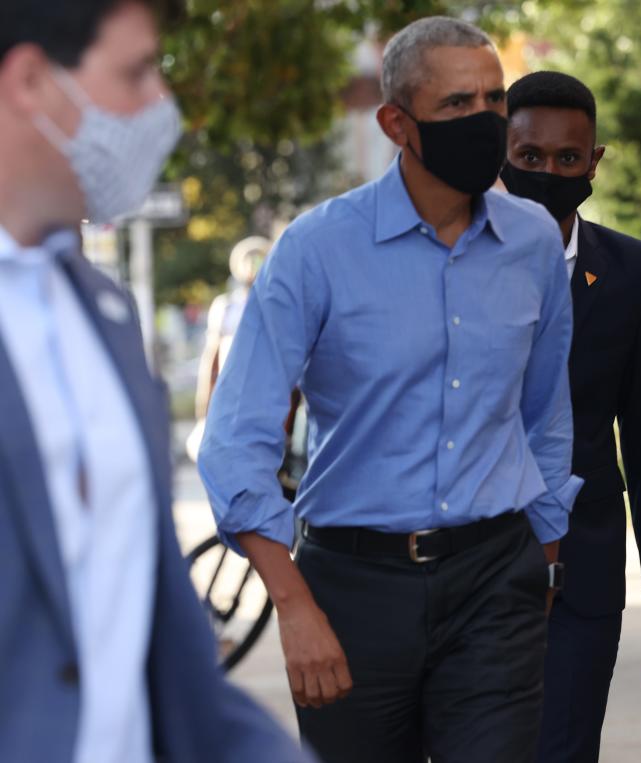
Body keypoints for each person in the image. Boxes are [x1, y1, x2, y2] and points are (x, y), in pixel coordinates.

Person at [199, 17, 580, 763]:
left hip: (495, 580)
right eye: (457, 106)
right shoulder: (316, 250)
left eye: (494, 99)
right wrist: (294, 602)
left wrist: (546, 557)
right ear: (396, 124)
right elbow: (235, 440)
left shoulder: (534, 240)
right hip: (352, 588)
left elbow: (546, 412)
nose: (486, 121)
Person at [0, 1, 310, 761]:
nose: (161, 108)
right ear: (33, 82)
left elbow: (161, 651)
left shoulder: (101, 313)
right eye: (137, 72)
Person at [501, 71, 641, 762]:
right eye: (530, 157)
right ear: (503, 151)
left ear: (594, 162)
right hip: (467, 569)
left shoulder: (633, 271)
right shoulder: (454, 258)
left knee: (565, 747)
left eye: (567, 159)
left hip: (582, 569)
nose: (549, 171)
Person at [188, 235, 270, 461]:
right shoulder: (226, 307)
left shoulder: (277, 306)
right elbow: (212, 358)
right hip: (233, 390)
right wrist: (203, 410)